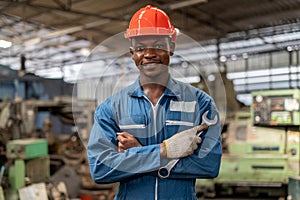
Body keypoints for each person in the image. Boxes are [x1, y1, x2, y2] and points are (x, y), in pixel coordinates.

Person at [87, 5, 222, 200]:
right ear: (132, 52)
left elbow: (209, 165)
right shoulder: (111, 108)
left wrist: (138, 154)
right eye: (141, 48)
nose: (149, 54)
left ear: (171, 48)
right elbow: (101, 169)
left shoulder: (200, 103)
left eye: (158, 45)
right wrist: (164, 150)